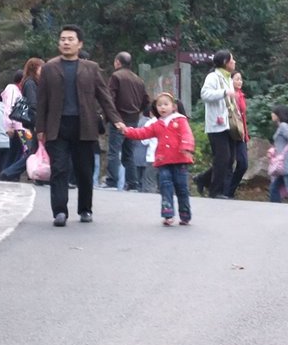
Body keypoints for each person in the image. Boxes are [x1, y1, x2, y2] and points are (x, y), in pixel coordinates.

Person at [35, 25, 123, 226]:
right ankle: (59, 212)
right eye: (63, 39)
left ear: (79, 43)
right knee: (59, 169)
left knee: (84, 170)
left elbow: (104, 96)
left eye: (70, 39)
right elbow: (42, 101)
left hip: (85, 125)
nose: (66, 42)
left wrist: (115, 119)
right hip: (56, 126)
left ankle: (85, 209)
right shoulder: (49, 68)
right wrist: (40, 128)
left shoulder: (91, 68)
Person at [117, 92, 195, 225]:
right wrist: (126, 130)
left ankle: (185, 214)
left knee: (182, 188)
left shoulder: (180, 120)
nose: (162, 107)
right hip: (163, 161)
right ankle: (168, 214)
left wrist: (186, 146)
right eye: (159, 105)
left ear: (173, 107)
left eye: (166, 104)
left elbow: (187, 134)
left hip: (180, 160)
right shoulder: (156, 124)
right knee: (165, 187)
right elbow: (142, 133)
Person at [105, 51, 150, 190]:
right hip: (134, 120)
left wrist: (110, 116)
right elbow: (146, 101)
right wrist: (137, 111)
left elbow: (110, 98)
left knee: (114, 151)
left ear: (117, 62)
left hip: (119, 119)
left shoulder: (116, 76)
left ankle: (112, 181)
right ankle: (132, 183)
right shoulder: (138, 80)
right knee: (128, 153)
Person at [195, 50, 236, 198]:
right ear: (225, 62)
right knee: (222, 157)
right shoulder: (213, 77)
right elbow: (205, 95)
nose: (234, 62)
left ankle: (202, 179)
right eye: (232, 60)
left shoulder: (229, 78)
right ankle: (215, 191)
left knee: (230, 158)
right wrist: (224, 93)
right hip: (216, 124)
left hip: (229, 123)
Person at [0, 58, 43, 182]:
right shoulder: (29, 84)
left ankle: (8, 173)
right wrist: (10, 125)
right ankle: (8, 173)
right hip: (29, 124)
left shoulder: (30, 83)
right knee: (30, 152)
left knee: (29, 151)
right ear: (34, 69)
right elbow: (32, 105)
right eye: (40, 68)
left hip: (26, 125)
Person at [226, 70, 250, 197]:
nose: (240, 81)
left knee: (243, 164)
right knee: (226, 162)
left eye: (241, 79)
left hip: (240, 133)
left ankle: (229, 191)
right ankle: (226, 192)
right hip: (230, 132)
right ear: (230, 81)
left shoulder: (241, 95)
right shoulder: (228, 95)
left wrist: (245, 134)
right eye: (237, 79)